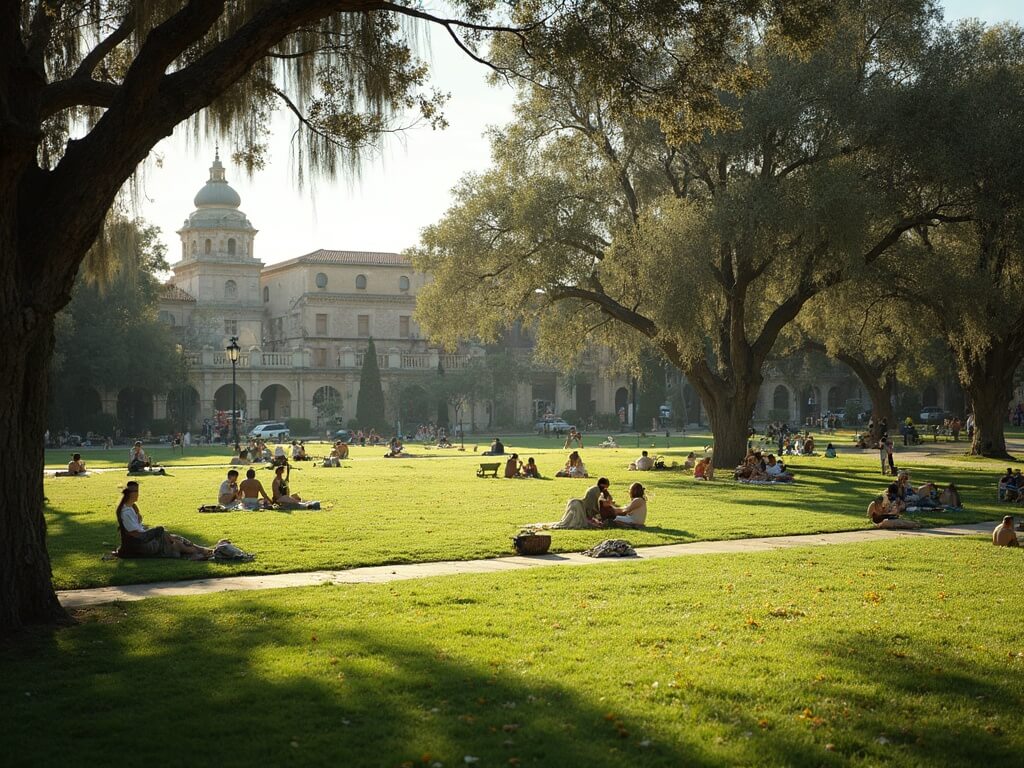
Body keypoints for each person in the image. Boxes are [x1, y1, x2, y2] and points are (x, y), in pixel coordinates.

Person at [115, 481, 214, 559]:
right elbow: (135, 535)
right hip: (142, 545)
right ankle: (199, 551)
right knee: (172, 539)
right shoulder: (126, 512)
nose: (138, 494)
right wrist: (155, 532)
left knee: (175, 538)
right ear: (132, 494)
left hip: (144, 541)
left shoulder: (131, 508)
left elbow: (138, 527)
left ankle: (201, 550)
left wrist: (147, 527)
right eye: (137, 491)